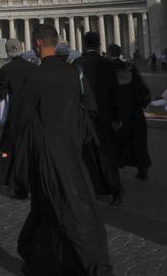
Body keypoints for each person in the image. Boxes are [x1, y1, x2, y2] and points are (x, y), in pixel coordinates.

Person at [11, 25, 113, 275]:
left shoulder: (35, 77)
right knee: (52, 207)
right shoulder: (72, 73)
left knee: (67, 209)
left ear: (36, 44)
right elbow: (89, 108)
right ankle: (40, 259)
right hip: (73, 150)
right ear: (56, 44)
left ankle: (93, 266)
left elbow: (19, 119)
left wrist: (9, 151)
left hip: (47, 154)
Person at [74, 32, 122, 203]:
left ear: (84, 44)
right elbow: (115, 92)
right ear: (99, 44)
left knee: (87, 154)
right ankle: (115, 189)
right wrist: (117, 116)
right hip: (105, 115)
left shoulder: (77, 64)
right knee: (108, 153)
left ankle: (93, 188)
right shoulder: (107, 64)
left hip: (85, 116)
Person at [0, 38, 36, 193]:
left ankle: (15, 182)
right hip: (31, 115)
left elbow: (1, 95)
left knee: (11, 150)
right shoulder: (33, 68)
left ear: (7, 51)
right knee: (29, 149)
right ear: (22, 49)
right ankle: (30, 181)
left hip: (14, 116)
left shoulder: (6, 69)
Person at [107, 44, 152, 180]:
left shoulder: (108, 69)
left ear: (109, 54)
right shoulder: (130, 68)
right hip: (134, 111)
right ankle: (142, 168)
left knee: (116, 141)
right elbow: (142, 89)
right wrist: (142, 103)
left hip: (118, 112)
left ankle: (115, 170)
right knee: (139, 141)